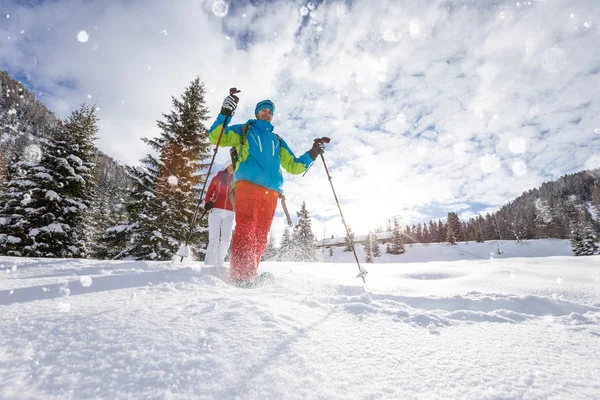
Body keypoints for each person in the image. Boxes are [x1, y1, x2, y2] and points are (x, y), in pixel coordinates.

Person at [208, 94, 324, 284]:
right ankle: (240, 276)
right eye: (264, 110)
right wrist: (225, 114)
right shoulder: (245, 130)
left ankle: (250, 273)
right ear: (256, 112)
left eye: (270, 112)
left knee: (261, 236)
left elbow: (293, 165)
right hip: (247, 186)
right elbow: (217, 137)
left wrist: (312, 153)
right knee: (246, 229)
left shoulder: (277, 140)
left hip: (271, 193)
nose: (267, 114)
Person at [204, 163, 235, 267]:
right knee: (214, 239)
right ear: (226, 167)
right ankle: (209, 264)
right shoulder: (217, 178)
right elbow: (209, 193)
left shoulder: (237, 180)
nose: (232, 168)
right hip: (216, 211)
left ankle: (219, 263)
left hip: (229, 213)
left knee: (226, 240)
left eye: (233, 166)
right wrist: (208, 203)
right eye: (230, 166)